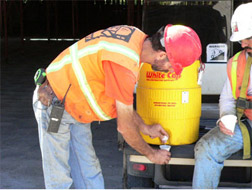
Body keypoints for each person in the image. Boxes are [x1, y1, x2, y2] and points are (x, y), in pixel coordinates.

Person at [33, 24, 202, 189]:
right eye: (173, 66)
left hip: (77, 107)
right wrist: (152, 154)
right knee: (59, 178)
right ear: (161, 55)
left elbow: (122, 105)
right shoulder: (124, 64)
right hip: (54, 101)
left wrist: (145, 127)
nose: (171, 71)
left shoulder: (135, 38)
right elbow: (125, 127)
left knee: (89, 170)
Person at [193, 2, 252, 188]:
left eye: (248, 38)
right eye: (241, 39)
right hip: (248, 124)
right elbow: (227, 97)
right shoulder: (237, 63)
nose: (242, 44)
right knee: (206, 149)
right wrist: (226, 115)